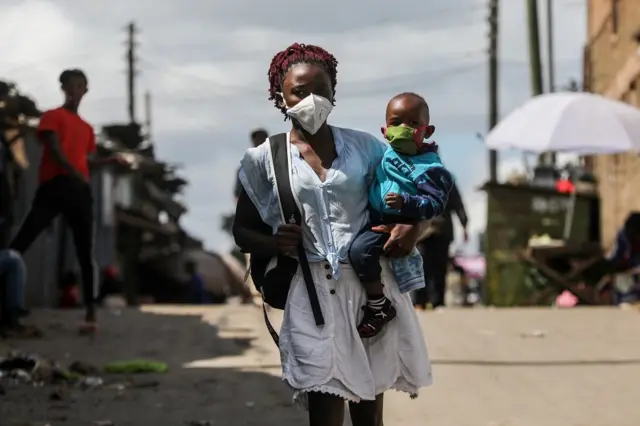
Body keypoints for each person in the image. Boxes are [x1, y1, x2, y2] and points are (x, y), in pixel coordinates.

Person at [233, 43, 432, 426]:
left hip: (371, 293)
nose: (312, 100)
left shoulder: (368, 148)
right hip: (312, 295)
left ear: (334, 92)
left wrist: (412, 226)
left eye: (320, 89)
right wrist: (276, 243)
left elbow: (414, 196)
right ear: (280, 97)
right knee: (323, 406)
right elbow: (242, 230)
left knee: (368, 412)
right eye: (299, 92)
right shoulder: (264, 159)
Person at [9, 69, 120, 333]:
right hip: (54, 186)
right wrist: (74, 173)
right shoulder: (51, 117)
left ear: (85, 90)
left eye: (80, 85)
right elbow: (55, 149)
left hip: (78, 191)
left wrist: (109, 161)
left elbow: (86, 161)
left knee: (85, 251)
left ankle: (91, 312)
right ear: (63, 88)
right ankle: (8, 303)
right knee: (22, 242)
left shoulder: (86, 128)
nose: (75, 90)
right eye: (70, 85)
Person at [348, 92, 453, 338]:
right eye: (396, 123)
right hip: (372, 219)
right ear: (385, 130)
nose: (403, 129)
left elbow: (435, 204)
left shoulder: (429, 167)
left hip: (392, 225)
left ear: (428, 130)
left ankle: (379, 305)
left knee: (360, 252)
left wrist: (408, 205)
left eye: (413, 124)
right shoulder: (382, 155)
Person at [414, 181, 468, 309]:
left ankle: (436, 301)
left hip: (440, 230)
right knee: (423, 267)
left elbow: (457, 204)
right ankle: (422, 301)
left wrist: (464, 225)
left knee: (438, 267)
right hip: (424, 231)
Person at [234, 129, 269, 201]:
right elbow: (238, 192)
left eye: (262, 139)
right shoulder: (244, 168)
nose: (259, 142)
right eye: (257, 139)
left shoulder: (275, 163)